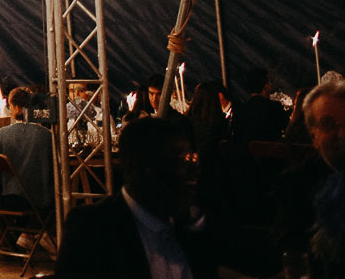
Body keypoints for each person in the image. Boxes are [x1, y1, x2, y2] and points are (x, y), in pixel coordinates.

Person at [56, 116, 225, 278]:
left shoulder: (193, 222)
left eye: (193, 159)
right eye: (184, 161)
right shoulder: (94, 229)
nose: (194, 172)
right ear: (148, 169)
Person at [274, 77, 345, 279]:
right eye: (328, 124)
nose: (343, 132)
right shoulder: (296, 182)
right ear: (313, 136)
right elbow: (290, 245)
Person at [0, 87, 52, 213]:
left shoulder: (4, 133)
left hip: (10, 197)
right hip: (40, 200)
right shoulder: (46, 134)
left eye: (10, 106)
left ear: (17, 108)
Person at [234, 68, 288, 145]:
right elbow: (288, 130)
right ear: (266, 87)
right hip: (272, 154)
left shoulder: (239, 111)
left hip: (245, 155)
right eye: (269, 83)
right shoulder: (274, 107)